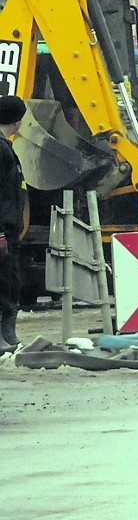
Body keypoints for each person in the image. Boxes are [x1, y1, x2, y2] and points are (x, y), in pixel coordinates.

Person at [0, 95, 27, 353]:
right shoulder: (0, 149)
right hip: (3, 230)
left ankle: (9, 336)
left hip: (10, 229)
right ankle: (3, 336)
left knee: (11, 282)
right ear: (17, 121)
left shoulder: (6, 147)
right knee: (3, 282)